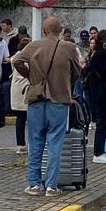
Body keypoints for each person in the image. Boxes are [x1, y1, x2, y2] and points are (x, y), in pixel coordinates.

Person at [21, 17, 80, 197]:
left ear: (44, 30)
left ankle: (34, 184)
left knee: (35, 141)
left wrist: (31, 76)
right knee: (55, 143)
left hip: (36, 100)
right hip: (59, 100)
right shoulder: (68, 47)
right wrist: (66, 82)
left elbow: (16, 61)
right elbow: (78, 71)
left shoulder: (33, 46)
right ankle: (51, 186)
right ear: (60, 31)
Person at [86, 30, 106, 165]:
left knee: (105, 122)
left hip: (103, 92)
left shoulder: (101, 54)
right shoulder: (100, 55)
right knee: (102, 123)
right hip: (101, 93)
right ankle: (98, 152)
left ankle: (101, 150)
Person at [10, 37, 32, 155]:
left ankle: (20, 145)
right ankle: (30, 144)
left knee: (20, 119)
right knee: (31, 118)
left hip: (16, 90)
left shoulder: (14, 57)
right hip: (26, 90)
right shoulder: (26, 58)